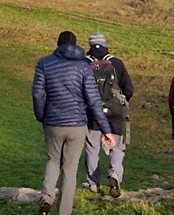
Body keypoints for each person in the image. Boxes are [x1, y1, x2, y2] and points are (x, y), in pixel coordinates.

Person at [33, 31, 117, 215]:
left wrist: (41, 116)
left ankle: (47, 198)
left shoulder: (44, 63)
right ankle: (64, 211)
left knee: (54, 160)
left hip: (53, 123)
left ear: (58, 44)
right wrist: (106, 130)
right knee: (70, 169)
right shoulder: (83, 67)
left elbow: (38, 93)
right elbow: (94, 100)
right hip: (78, 124)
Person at [82, 32, 133, 196]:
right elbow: (129, 88)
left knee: (92, 148)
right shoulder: (116, 63)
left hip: (92, 111)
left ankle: (93, 183)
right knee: (116, 147)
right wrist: (121, 101)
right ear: (105, 44)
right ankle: (115, 174)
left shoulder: (84, 62)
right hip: (115, 111)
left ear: (90, 45)